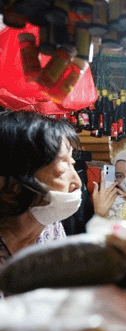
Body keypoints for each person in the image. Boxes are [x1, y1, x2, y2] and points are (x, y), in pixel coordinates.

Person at [0, 111, 83, 267]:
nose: (77, 183)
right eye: (62, 170)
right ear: (12, 188)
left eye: (72, 163)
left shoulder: (51, 227)